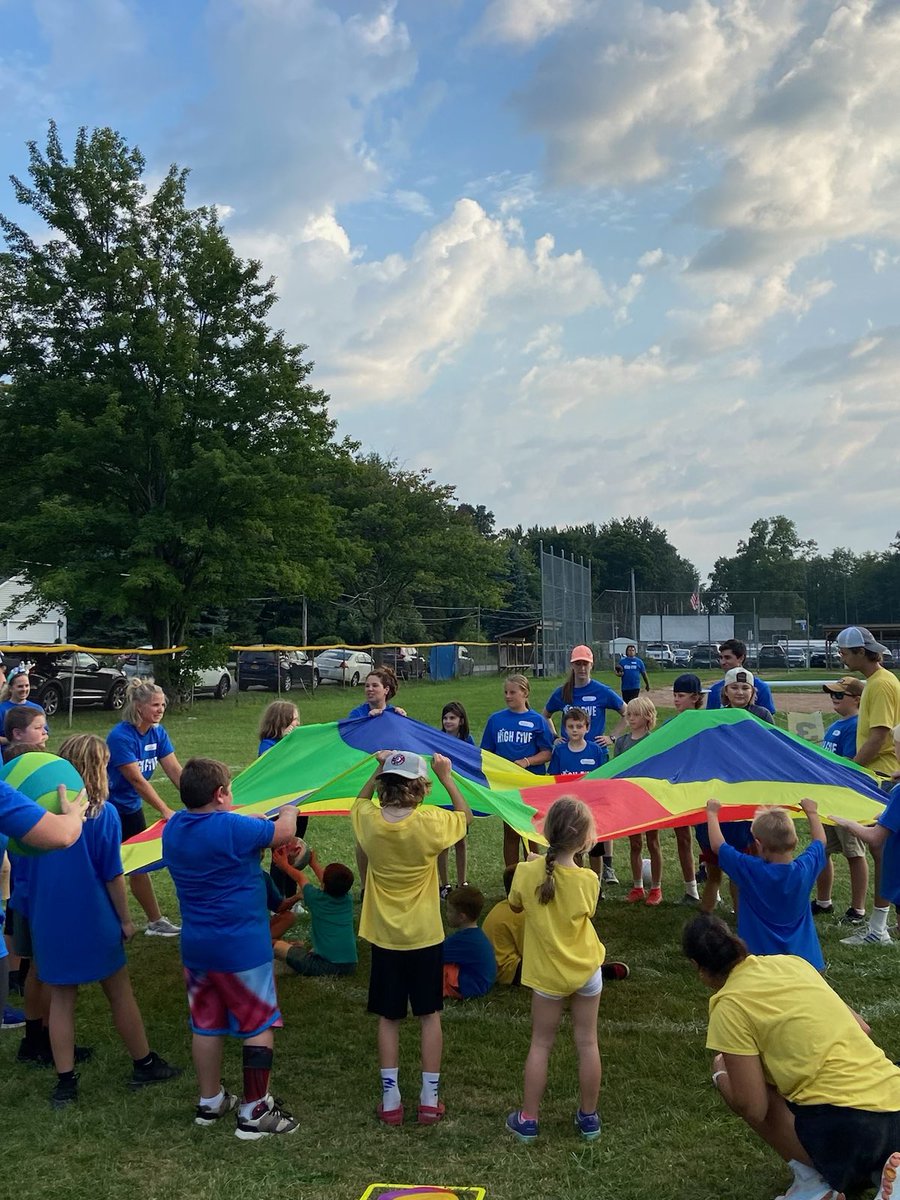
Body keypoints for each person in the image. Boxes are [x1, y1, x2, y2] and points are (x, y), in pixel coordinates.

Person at [684, 913, 900, 1200]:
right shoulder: (792, 963)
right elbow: (862, 1027)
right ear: (737, 942)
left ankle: (814, 1184)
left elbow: (754, 1107)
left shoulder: (729, 1006)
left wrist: (723, 1078)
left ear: (697, 966)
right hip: (893, 1098)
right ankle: (888, 1174)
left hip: (849, 1131)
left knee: (725, 1066)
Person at [30, 735, 181, 1108]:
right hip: (93, 914)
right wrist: (127, 920)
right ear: (99, 769)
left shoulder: (36, 817)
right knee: (119, 991)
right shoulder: (104, 814)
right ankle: (143, 1063)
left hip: (48, 915)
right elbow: (113, 875)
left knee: (62, 999)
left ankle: (65, 1082)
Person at [162, 757, 300, 1138]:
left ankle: (210, 1101)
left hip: (198, 948)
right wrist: (290, 807)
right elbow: (284, 832)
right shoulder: (232, 828)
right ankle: (255, 1112)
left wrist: (251, 820)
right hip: (241, 948)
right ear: (221, 794)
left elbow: (237, 825)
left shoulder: (173, 828)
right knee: (258, 1023)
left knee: (206, 1025)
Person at [352, 749, 472, 1126]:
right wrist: (448, 777)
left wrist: (375, 771)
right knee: (429, 1014)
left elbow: (359, 801)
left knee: (388, 1017)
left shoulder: (368, 820)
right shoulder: (431, 822)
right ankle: (428, 1097)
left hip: (384, 935)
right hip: (424, 935)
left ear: (384, 785)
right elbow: (465, 819)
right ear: (421, 787)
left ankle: (390, 1099)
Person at [505, 796, 605, 1144]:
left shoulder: (527, 872)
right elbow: (583, 906)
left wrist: (533, 864)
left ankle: (528, 1119)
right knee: (587, 1042)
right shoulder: (589, 879)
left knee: (541, 1044)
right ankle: (589, 1117)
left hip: (547, 974)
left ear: (546, 833)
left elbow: (515, 903)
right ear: (584, 840)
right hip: (587, 970)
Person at [835, 626, 900, 948]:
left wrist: (850, 768)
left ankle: (879, 927)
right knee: (882, 852)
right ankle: (880, 924)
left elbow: (880, 735)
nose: (841, 658)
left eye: (845, 653)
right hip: (879, 775)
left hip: (882, 777)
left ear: (862, 652)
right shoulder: (876, 683)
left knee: (883, 851)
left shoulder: (883, 685)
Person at [705, 798, 825, 969]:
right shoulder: (805, 869)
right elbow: (820, 841)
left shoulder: (749, 870)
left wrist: (712, 813)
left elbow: (718, 846)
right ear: (796, 840)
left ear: (758, 845)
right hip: (806, 963)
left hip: (761, 964)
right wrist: (812, 812)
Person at [106, 681, 182, 936]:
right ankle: (107, 922)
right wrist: (164, 809)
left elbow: (174, 770)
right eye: (155, 705)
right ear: (138, 707)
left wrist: (200, 799)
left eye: (163, 704)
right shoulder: (120, 736)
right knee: (109, 867)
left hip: (130, 808)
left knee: (139, 865)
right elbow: (136, 780)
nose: (161, 709)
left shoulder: (158, 732)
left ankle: (154, 921)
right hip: (109, 809)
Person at [811, 677, 868, 925]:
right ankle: (824, 901)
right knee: (823, 849)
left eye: (839, 695)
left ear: (856, 699)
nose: (834, 699)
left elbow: (847, 762)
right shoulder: (836, 724)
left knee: (853, 852)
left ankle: (858, 909)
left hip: (845, 797)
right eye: (832, 695)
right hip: (828, 797)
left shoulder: (855, 725)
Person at [482, 675, 554, 868]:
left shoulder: (537, 720)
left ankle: (533, 871)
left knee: (531, 830)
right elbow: (485, 753)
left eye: (512, 692)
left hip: (530, 783)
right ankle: (512, 875)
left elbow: (547, 753)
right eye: (505, 692)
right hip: (506, 785)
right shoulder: (496, 720)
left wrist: (526, 761)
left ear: (525, 693)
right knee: (511, 830)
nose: (508, 696)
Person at [270, 848, 357, 978]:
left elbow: (300, 877)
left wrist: (284, 865)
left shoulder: (315, 898)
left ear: (325, 884)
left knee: (273, 944)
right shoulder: (347, 899)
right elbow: (326, 881)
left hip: (324, 965)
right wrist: (313, 863)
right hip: (350, 964)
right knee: (300, 947)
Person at [611, 696, 663, 905]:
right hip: (628, 799)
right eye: (628, 714)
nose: (631, 719)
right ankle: (637, 886)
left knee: (653, 842)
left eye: (635, 715)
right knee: (634, 844)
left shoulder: (653, 741)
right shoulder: (622, 742)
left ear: (648, 717)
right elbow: (617, 770)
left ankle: (656, 888)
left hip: (648, 798)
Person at [258, 701, 308, 893]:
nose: (298, 724)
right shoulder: (269, 744)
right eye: (294, 720)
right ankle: (279, 900)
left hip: (299, 806)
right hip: (279, 808)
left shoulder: (298, 743)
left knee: (294, 850)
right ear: (281, 722)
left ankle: (291, 895)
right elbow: (272, 765)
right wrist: (286, 744)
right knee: (280, 854)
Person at [542, 646, 625, 750]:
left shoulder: (602, 691)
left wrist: (612, 737)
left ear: (591, 665)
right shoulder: (562, 692)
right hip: (568, 753)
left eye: (585, 664)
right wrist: (554, 737)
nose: (582, 668)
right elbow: (545, 716)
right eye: (578, 664)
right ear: (572, 665)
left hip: (596, 752)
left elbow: (627, 713)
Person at [671, 674, 705, 904]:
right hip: (677, 789)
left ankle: (714, 888)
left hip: (703, 789)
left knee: (708, 841)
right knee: (682, 838)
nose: (676, 700)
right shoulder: (670, 726)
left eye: (680, 696)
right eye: (674, 695)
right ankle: (690, 889)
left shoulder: (706, 724)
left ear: (695, 698)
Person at [437, 702, 472, 898]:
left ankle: (462, 881)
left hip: (459, 797)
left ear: (461, 720)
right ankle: (444, 884)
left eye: (452, 718)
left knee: (460, 840)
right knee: (442, 843)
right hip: (442, 797)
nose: (448, 721)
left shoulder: (468, 741)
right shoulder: (437, 740)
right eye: (445, 718)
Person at [442, 885, 497, 1000]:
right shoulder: (475, 935)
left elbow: (435, 954)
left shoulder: (463, 940)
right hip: (481, 983)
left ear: (462, 917)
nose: (446, 914)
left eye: (449, 911)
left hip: (471, 986)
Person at [705, 640, 776, 714]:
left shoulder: (761, 688)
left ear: (741, 658)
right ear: (725, 691)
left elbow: (767, 722)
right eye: (721, 658)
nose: (723, 662)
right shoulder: (715, 689)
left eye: (727, 658)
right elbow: (710, 720)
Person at [482, 866, 526, 986]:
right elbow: (528, 951)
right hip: (508, 970)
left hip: (492, 966)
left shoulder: (501, 906)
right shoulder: (520, 914)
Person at [549, 708, 607, 778]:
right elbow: (553, 778)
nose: (574, 730)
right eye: (570, 727)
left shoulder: (595, 750)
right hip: (566, 789)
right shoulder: (559, 751)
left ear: (587, 728)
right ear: (565, 729)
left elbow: (603, 776)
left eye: (579, 726)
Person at [0, 665, 47, 746]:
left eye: (27, 685)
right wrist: (19, 742)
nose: (24, 689)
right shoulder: (2, 709)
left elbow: (45, 733)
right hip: (8, 755)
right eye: (20, 686)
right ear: (11, 688)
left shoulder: (37, 708)